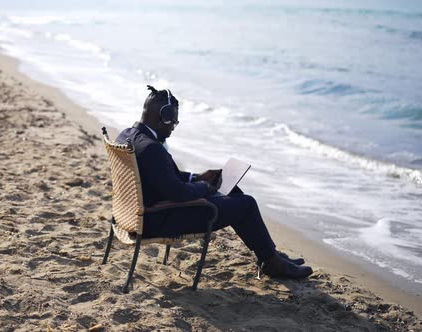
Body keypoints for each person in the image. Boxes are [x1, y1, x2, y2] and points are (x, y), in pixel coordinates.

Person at [116, 85, 313, 279]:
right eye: (173, 121)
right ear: (164, 117)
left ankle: (269, 255)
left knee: (232, 190)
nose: (173, 127)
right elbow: (179, 194)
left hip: (140, 213)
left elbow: (159, 175)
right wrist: (205, 187)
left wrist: (197, 177)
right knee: (247, 204)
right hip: (158, 219)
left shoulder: (128, 136)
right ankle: (272, 262)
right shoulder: (152, 148)